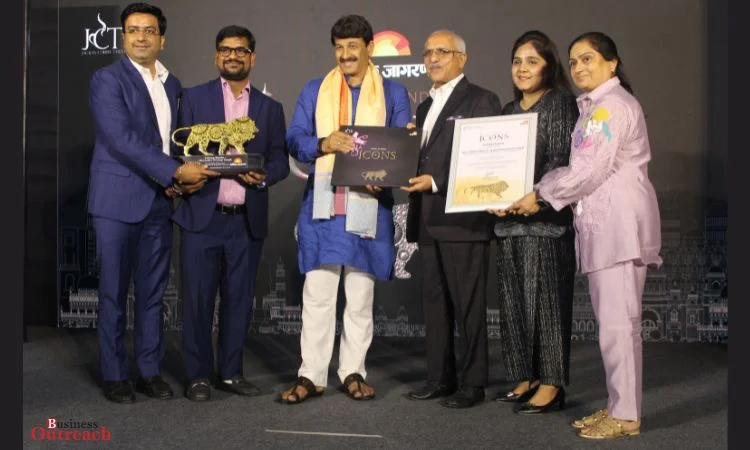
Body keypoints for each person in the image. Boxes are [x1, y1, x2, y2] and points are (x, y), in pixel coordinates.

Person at [507, 31, 662, 439]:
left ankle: (626, 416)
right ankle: (620, 405)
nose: (578, 67)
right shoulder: (596, 107)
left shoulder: (611, 107)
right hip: (607, 227)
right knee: (614, 324)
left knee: (618, 326)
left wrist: (539, 194)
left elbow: (588, 170)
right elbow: (584, 169)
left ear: (612, 63)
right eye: (574, 61)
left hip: (619, 227)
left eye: (588, 58)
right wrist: (540, 191)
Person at [87, 2, 217, 403]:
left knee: (153, 294)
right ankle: (114, 375)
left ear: (162, 39)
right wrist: (176, 172)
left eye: (148, 30)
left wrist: (184, 175)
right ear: (123, 37)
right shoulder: (107, 79)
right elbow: (121, 139)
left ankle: (148, 371)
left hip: (160, 202)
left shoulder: (172, 83)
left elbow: (174, 142)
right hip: (116, 202)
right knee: (113, 293)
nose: (140, 37)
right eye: (133, 30)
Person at [281, 14, 411, 404]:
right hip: (324, 205)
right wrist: (324, 143)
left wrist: (384, 175)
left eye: (353, 46)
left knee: (360, 295)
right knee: (318, 295)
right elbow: (295, 138)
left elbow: (400, 144)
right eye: (339, 47)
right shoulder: (314, 90)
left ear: (369, 48)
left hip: (368, 205)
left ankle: (353, 370)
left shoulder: (393, 93)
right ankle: (311, 374)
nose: (345, 54)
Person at [173, 25, 289, 402]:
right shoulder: (193, 98)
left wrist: (264, 176)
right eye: (225, 49)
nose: (233, 56)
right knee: (197, 301)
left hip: (245, 221)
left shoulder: (270, 109)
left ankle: (231, 373)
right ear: (216, 56)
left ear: (252, 57)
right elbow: (177, 152)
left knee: (239, 301)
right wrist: (184, 174)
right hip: (202, 218)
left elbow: (279, 160)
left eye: (240, 50)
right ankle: (197, 376)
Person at [402, 29, 503, 409]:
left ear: (462, 58)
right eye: (427, 52)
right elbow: (427, 156)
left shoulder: (481, 100)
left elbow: (484, 160)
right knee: (435, 305)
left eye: (442, 51)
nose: (433, 58)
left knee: (469, 307)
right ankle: (439, 378)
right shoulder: (425, 107)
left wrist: (436, 181)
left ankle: (473, 383)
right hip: (428, 219)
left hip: (464, 221)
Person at [485, 30, 578, 414]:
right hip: (509, 226)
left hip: (545, 225)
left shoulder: (560, 104)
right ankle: (525, 377)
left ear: (548, 66)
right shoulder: (507, 111)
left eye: (532, 61)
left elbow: (560, 160)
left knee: (547, 307)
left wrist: (534, 197)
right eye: (517, 61)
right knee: (513, 307)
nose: (522, 69)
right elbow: (493, 167)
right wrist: (490, 196)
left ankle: (552, 384)